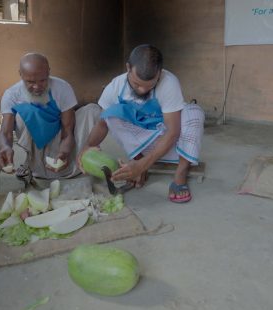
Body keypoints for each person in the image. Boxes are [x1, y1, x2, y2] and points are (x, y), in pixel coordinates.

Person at [80, 44, 204, 203]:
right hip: (143, 142)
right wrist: (86, 147)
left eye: (150, 85)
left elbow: (173, 132)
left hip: (172, 142)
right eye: (136, 84)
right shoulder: (115, 86)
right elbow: (102, 124)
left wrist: (143, 165)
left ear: (160, 73)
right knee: (110, 114)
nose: (142, 90)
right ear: (128, 68)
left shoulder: (169, 82)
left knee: (194, 112)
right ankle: (138, 160)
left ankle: (181, 173)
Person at [0, 53, 100, 179]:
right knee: (22, 115)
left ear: (48, 72)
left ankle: (76, 162)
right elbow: (5, 133)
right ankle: (34, 165)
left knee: (92, 110)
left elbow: (68, 131)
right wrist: (5, 147)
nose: (37, 86)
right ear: (20, 74)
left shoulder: (62, 88)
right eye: (30, 82)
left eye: (43, 80)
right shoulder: (12, 95)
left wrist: (64, 153)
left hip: (60, 138)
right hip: (35, 143)